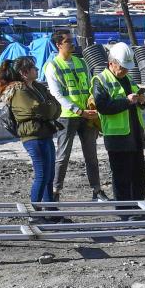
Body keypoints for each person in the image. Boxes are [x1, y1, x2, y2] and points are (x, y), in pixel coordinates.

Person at [44, 29, 106, 201]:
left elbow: (90, 84)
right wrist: (79, 111)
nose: (72, 44)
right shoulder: (53, 66)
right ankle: (56, 191)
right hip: (67, 116)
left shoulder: (81, 62)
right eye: (68, 41)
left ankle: (97, 190)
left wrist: (91, 102)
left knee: (91, 155)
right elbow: (57, 95)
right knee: (63, 156)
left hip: (87, 115)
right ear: (58, 45)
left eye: (72, 40)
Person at [0, 55, 61, 208]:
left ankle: (50, 211)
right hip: (33, 137)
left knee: (49, 175)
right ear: (24, 72)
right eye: (34, 68)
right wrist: (49, 107)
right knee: (42, 175)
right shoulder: (18, 91)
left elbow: (56, 106)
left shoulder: (37, 87)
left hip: (45, 133)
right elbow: (38, 108)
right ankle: (35, 212)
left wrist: (49, 108)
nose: (37, 70)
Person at [91, 42, 145, 203]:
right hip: (117, 137)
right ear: (111, 63)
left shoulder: (127, 78)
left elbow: (139, 102)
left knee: (139, 174)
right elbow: (102, 107)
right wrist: (126, 102)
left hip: (135, 134)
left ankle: (138, 206)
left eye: (127, 67)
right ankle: (124, 210)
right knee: (121, 176)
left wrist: (141, 101)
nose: (125, 70)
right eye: (122, 67)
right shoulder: (100, 80)